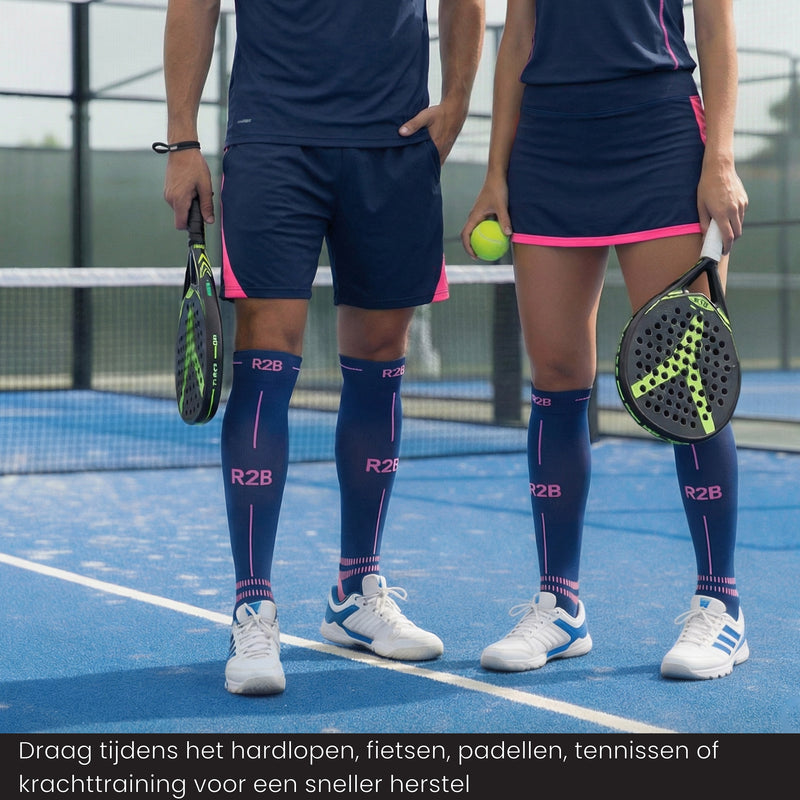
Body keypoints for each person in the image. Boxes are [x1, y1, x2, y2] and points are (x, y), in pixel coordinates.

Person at [158, 0, 485, 695]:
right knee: (266, 357)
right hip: (274, 138)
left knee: (381, 354)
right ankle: (253, 607)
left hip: (395, 143)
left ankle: (356, 592)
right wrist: (182, 140)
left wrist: (458, 100)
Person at [462, 0, 748, 680]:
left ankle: (722, 607)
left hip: (659, 134)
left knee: (690, 380)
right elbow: (519, 33)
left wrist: (720, 158)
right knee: (557, 374)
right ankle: (559, 605)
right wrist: (495, 171)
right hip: (549, 143)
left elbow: (715, 26)